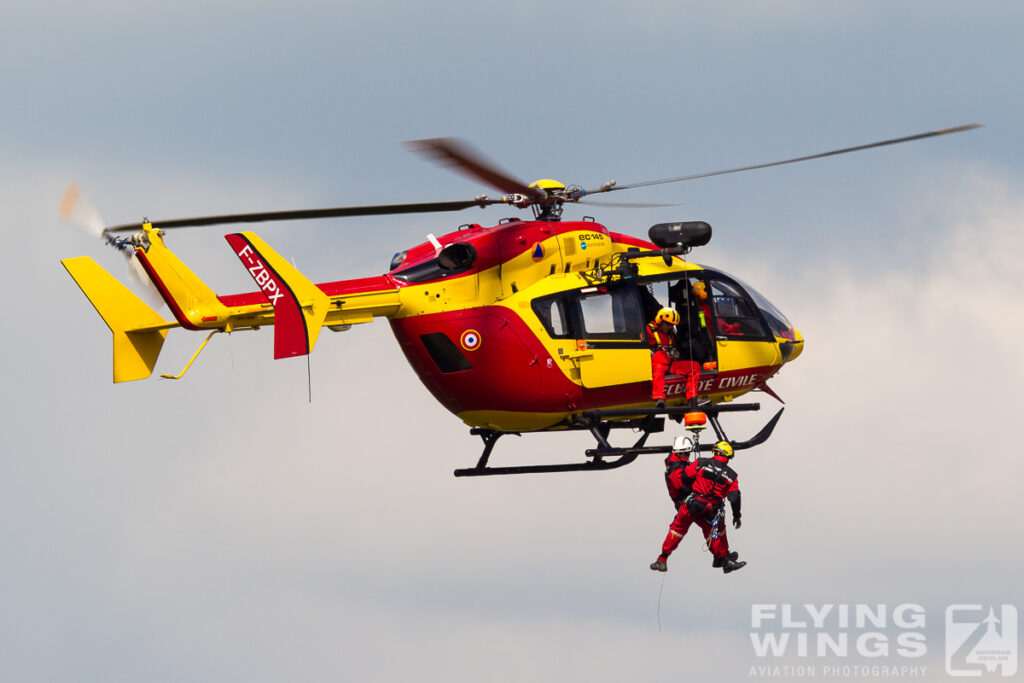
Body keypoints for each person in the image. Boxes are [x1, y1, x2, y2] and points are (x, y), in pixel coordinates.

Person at [650, 440, 746, 574]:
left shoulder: (701, 462)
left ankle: (662, 560)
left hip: (693, 504)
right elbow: (735, 498)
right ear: (728, 456)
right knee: (715, 532)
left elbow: (683, 476)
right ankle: (723, 559)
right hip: (713, 509)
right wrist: (737, 516)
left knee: (677, 529)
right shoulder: (732, 475)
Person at [647, 307, 701, 409]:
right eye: (668, 324)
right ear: (660, 320)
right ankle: (659, 399)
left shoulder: (671, 335)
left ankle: (692, 398)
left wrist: (674, 353)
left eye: (672, 325)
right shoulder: (649, 330)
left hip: (669, 364)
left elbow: (672, 348)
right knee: (658, 370)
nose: (670, 327)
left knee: (695, 366)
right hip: (656, 364)